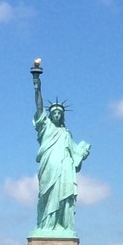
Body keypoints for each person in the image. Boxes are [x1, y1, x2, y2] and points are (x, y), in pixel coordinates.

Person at [31, 61, 90, 235]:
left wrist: (83, 152)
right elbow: (39, 106)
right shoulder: (45, 127)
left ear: (62, 116)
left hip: (64, 168)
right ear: (50, 115)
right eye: (54, 112)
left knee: (63, 196)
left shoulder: (66, 133)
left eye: (59, 113)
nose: (56, 114)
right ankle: (46, 226)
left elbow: (76, 154)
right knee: (47, 195)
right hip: (48, 166)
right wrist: (37, 84)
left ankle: (62, 226)